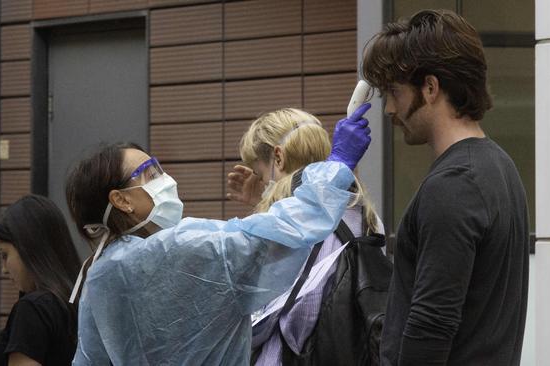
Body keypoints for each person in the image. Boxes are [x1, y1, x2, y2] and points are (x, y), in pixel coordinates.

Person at [66, 104, 372, 365]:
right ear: (122, 200)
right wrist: (338, 165)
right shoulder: (180, 248)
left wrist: (261, 202)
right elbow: (277, 237)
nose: (165, 178)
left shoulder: (100, 273)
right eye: (151, 172)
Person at [362, 9, 529, 366]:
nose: (389, 107)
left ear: (431, 87)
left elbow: (431, 325)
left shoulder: (453, 185)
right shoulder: (500, 167)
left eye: (394, 91)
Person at [227, 106, 387, 365]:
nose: (264, 183)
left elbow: (261, 323)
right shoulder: (364, 212)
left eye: (260, 173)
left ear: (278, 157)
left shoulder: (283, 226)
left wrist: (264, 211)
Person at [0, 194, 82, 366]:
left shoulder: (33, 308)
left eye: (4, 255)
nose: (4, 269)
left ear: (28, 248)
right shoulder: (81, 296)